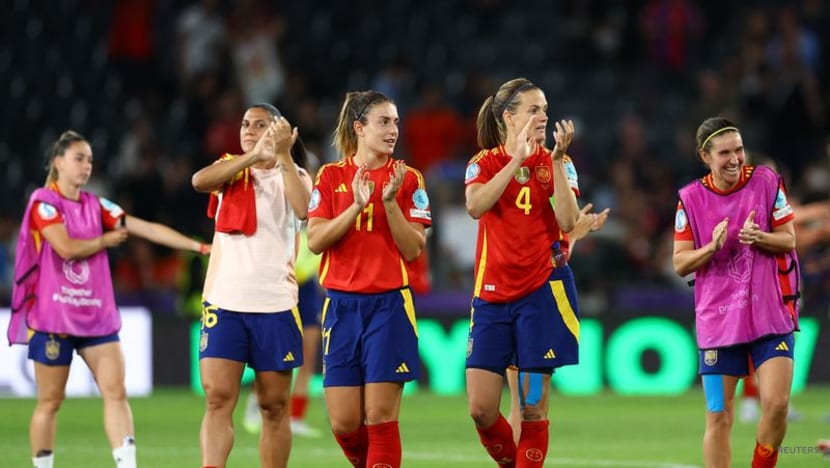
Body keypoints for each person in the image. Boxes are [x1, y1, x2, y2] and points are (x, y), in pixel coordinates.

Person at [7, 130, 210, 468]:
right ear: (58, 162)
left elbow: (145, 228)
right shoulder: (44, 202)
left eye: (89, 160)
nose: (87, 166)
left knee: (116, 391)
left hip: (95, 315)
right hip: (55, 317)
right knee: (50, 401)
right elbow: (65, 247)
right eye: (79, 158)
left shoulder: (97, 205)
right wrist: (104, 241)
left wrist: (197, 246)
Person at [306, 90, 431, 468]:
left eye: (395, 122)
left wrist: (389, 202)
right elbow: (315, 241)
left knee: (379, 417)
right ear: (359, 127)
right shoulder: (331, 176)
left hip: (389, 306)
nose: (393, 130)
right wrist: (356, 206)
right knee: (344, 424)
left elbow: (413, 249)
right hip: (341, 308)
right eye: (384, 122)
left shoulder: (408, 178)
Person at [464, 77, 580, 468]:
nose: (543, 116)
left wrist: (558, 161)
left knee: (532, 408)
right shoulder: (483, 162)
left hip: (541, 295)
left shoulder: (559, 163)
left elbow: (568, 221)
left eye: (545, 109)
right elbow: (475, 206)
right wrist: (516, 159)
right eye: (534, 110)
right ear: (508, 118)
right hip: (492, 297)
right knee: (481, 409)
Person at [672, 117, 799, 468]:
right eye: (724, 153)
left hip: (769, 312)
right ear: (705, 156)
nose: (735, 159)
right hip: (719, 321)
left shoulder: (766, 181)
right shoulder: (690, 199)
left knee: (776, 405)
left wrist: (760, 237)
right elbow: (680, 262)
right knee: (718, 416)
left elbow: (789, 239)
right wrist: (710, 247)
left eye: (739, 150)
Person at [192, 103, 312, 468]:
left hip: (275, 305)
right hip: (224, 303)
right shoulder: (229, 170)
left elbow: (304, 209)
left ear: (278, 131)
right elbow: (199, 181)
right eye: (245, 124)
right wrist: (252, 158)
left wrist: (282, 155)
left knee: (274, 407)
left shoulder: (296, 175)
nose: (248, 129)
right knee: (217, 399)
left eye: (259, 125)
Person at [505, 202, 609, 443]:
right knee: (527, 407)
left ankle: (515, 459)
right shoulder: (530, 228)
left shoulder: (519, 224)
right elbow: (547, 264)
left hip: (514, 304)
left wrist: (572, 234)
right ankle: (519, 458)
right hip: (529, 310)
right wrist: (572, 235)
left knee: (520, 406)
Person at [243, 226, 324, 439]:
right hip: (282, 287)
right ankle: (256, 400)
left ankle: (296, 418)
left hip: (307, 292)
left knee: (308, 356)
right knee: (273, 357)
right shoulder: (285, 222)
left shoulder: (319, 221)